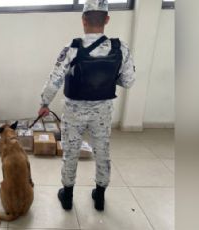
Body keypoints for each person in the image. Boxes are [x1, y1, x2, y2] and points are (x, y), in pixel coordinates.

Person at [38, 0, 136, 211]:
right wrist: (109, 78)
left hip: (74, 112)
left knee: (70, 152)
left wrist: (44, 103)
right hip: (103, 112)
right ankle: (99, 196)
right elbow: (128, 81)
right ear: (107, 19)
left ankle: (67, 196)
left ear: (83, 19)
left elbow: (54, 80)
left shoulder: (72, 48)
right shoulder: (121, 48)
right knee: (102, 151)